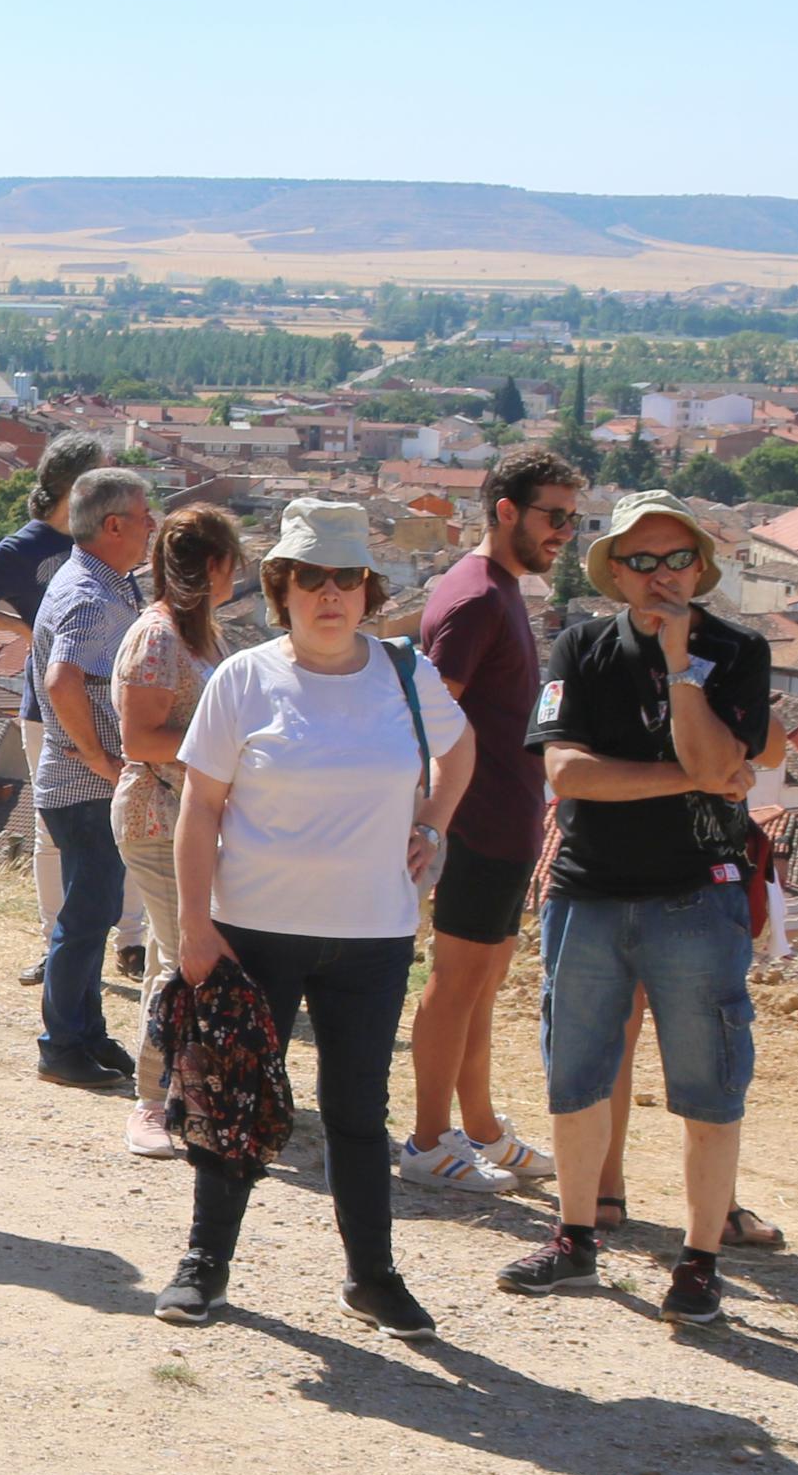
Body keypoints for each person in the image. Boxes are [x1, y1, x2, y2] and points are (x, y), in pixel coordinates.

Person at [160, 498, 473, 1335]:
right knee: (233, 1102)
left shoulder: (406, 675)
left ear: (366, 588)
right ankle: (203, 1265)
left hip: (372, 935)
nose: (328, 593)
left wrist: (433, 826)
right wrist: (194, 926)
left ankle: (372, 1277)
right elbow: (199, 807)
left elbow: (461, 747)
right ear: (282, 587)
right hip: (252, 932)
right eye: (310, 577)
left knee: (357, 1115)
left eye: (345, 576)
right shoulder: (243, 678)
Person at [497, 494, 776, 1326]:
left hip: (698, 897)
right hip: (587, 891)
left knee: (708, 1085)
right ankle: (573, 1239)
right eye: (642, 561)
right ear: (615, 573)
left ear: (700, 567)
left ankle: (698, 1261)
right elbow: (567, 775)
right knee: (574, 1075)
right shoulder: (579, 647)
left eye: (676, 559)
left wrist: (682, 667)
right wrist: (698, 776)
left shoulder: (738, 652)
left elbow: (720, 754)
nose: (662, 577)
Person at [398, 448, 585, 1196]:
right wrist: (433, 819)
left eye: (572, 518)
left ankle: (477, 1129)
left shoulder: (497, 588)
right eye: (553, 515)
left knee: (480, 984)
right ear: (506, 510)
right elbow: (427, 713)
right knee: (455, 982)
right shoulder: (476, 596)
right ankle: (424, 1141)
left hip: (506, 820)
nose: (564, 531)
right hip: (476, 820)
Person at [0, 438, 105, 978]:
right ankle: (56, 945)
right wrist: (25, 628)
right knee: (52, 829)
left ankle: (131, 941)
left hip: (114, 703)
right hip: (45, 706)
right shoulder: (25, 546)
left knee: (125, 820)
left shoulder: (107, 539)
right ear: (74, 486)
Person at [108, 503, 241, 1160]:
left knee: (180, 954)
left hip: (188, 816)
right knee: (179, 957)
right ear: (214, 565)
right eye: (233, 561)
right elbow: (138, 738)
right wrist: (221, 748)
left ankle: (182, 1092)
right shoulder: (157, 637)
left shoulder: (202, 635)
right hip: (155, 816)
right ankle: (150, 1100)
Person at [30, 467, 156, 1089]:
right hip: (84, 789)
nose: (153, 525)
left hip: (77, 784)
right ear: (113, 526)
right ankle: (60, 1047)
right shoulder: (92, 596)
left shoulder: (100, 582)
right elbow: (62, 680)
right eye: (144, 515)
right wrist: (100, 760)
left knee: (94, 913)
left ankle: (87, 1033)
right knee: (84, 920)